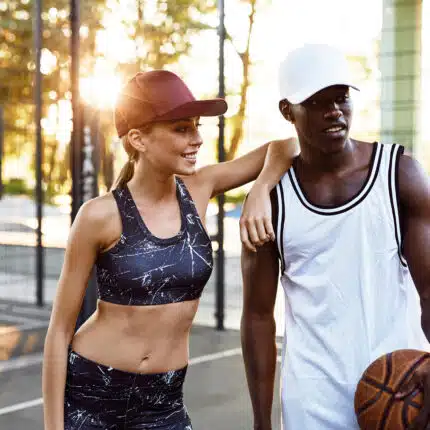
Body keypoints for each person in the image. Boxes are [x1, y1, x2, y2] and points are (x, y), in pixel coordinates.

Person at [42, 69, 297, 430]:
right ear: (138, 139)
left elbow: (289, 146)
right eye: (181, 129)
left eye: (196, 127)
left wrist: (259, 190)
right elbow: (59, 331)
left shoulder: (200, 187)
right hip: (93, 394)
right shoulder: (98, 215)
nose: (197, 139)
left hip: (163, 403)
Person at [240, 43, 430, 430]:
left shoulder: (400, 175)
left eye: (341, 97)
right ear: (287, 111)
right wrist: (261, 421)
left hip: (401, 388)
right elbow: (258, 316)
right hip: (312, 399)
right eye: (316, 102)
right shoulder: (271, 201)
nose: (334, 111)